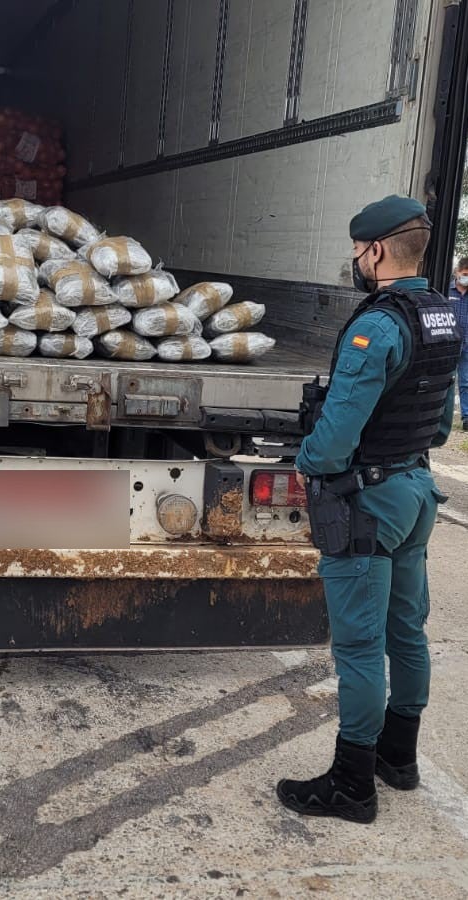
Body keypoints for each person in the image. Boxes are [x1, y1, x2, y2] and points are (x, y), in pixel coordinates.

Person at [278, 195, 461, 824]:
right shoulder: (442, 315)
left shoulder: (376, 327)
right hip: (415, 491)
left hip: (368, 504)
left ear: (377, 250)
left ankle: (352, 785)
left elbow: (334, 439)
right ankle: (398, 759)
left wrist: (306, 461)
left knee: (359, 648)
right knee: (407, 631)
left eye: (358, 251)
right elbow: (442, 425)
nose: (356, 260)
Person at [449, 256, 468, 429]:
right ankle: (440, 414)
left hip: (467, 344)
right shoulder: (445, 291)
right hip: (448, 344)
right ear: (457, 272)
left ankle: (466, 417)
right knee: (444, 379)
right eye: (465, 274)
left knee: (466, 381)